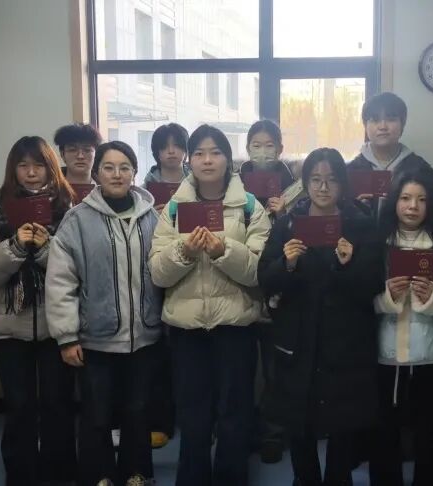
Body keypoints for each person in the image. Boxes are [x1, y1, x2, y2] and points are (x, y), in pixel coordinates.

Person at [149, 124, 271, 486]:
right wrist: (183, 252)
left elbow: (259, 272)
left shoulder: (249, 207)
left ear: (228, 159)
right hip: (187, 330)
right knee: (193, 415)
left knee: (235, 413)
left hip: (235, 326)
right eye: (199, 153)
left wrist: (224, 251)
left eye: (215, 152)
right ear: (190, 160)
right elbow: (158, 273)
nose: (207, 160)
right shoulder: (174, 209)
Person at [257, 148, 384, 486]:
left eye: (331, 180)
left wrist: (347, 266)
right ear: (305, 183)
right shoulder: (289, 223)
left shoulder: (360, 223)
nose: (323, 188)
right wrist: (287, 264)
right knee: (299, 423)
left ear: (342, 183)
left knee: (343, 424)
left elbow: (373, 283)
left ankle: (338, 479)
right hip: (299, 340)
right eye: (315, 179)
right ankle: (305, 479)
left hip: (347, 342)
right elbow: (265, 278)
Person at [46, 141, 163, 486]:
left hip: (144, 336)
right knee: (96, 414)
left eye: (124, 167)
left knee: (138, 411)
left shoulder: (151, 217)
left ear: (134, 173)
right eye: (109, 167)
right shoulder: (77, 220)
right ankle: (98, 476)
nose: (117, 174)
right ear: (97, 173)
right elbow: (61, 281)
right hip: (96, 338)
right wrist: (66, 337)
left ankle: (136, 473)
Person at [0, 136, 77, 485]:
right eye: (23, 165)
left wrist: (46, 249)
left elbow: (81, 268)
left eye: (39, 165)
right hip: (9, 323)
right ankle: (21, 474)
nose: (31, 173)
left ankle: (59, 473)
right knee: (18, 404)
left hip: (57, 324)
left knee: (58, 402)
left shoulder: (70, 211)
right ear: (12, 170)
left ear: (51, 168)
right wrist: (15, 246)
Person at [367, 169, 433, 486]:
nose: (412, 206)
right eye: (405, 198)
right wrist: (386, 298)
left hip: (431, 355)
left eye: (421, 199)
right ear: (393, 201)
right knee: (383, 437)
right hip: (385, 355)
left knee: (429, 439)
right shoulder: (376, 244)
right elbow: (360, 301)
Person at [239, 119, 296, 464]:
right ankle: (242, 430)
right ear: (247, 149)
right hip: (241, 287)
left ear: (280, 149)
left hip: (279, 292)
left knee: (276, 369)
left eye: (269, 145)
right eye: (256, 145)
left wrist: (284, 214)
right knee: (241, 369)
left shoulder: (296, 187)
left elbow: (304, 234)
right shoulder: (234, 184)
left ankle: (274, 433)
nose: (263, 152)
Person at [143, 122, 190, 449]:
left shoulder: (198, 182)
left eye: (177, 145)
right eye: (165, 146)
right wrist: (153, 214)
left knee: (189, 357)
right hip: (156, 270)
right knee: (158, 354)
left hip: (193, 268)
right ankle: (161, 420)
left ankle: (196, 421)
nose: (171, 152)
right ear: (156, 151)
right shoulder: (142, 188)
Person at [347, 92, 433, 221]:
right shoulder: (350, 171)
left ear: (402, 123)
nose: (383, 126)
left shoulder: (421, 170)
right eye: (375, 120)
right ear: (365, 125)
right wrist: (354, 211)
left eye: (391, 119)